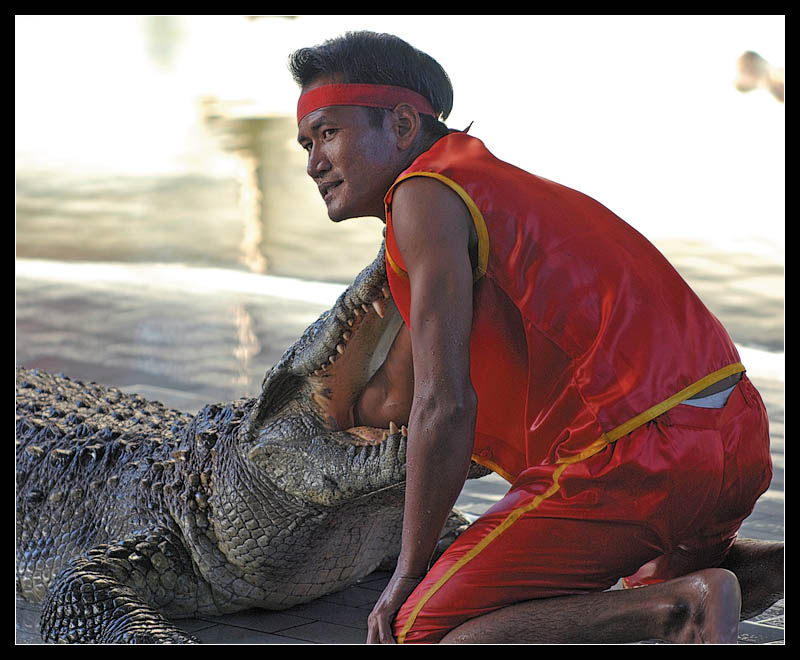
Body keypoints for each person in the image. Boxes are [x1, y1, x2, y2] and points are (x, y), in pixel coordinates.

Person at [290, 31, 782, 644]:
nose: (313, 162)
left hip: (647, 452)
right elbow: (399, 396)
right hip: (736, 434)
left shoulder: (420, 197)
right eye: (307, 143)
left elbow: (443, 406)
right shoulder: (485, 182)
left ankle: (683, 610)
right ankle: (741, 575)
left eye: (329, 133)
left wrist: (410, 572)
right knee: (658, 572)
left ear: (402, 123)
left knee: (422, 631)